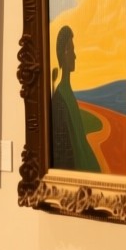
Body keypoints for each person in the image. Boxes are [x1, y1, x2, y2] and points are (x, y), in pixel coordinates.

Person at [50, 25, 100, 171]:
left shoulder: (68, 94)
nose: (75, 55)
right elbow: (63, 153)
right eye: (71, 49)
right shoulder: (60, 99)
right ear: (63, 54)